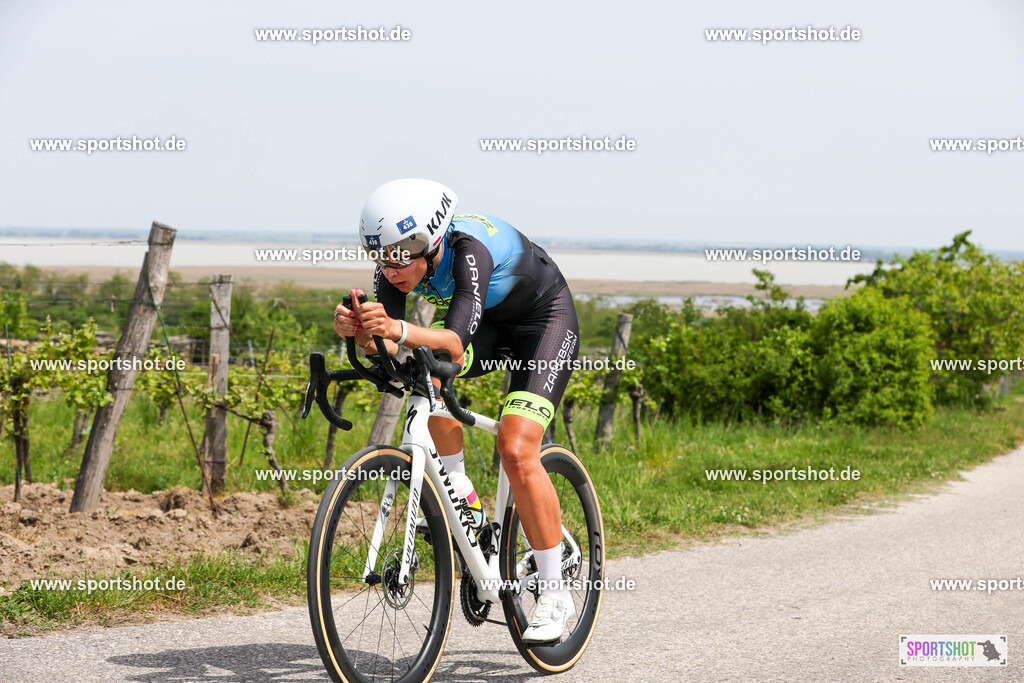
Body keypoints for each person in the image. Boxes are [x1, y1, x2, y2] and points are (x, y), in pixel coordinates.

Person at [333, 178, 580, 644]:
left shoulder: (470, 251)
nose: (393, 265)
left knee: (516, 446)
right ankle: (462, 497)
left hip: (542, 324)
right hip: (486, 327)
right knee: (426, 382)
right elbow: (384, 344)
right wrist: (356, 331)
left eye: (405, 251)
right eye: (382, 254)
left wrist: (396, 328)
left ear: (436, 237)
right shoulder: (392, 266)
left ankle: (554, 592)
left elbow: (451, 341)